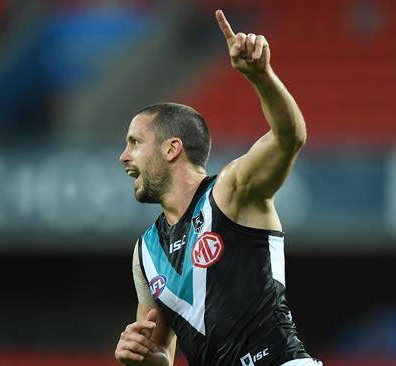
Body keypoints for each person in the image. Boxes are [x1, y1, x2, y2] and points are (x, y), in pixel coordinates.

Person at [114, 10, 321, 366]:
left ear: (171, 148)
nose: (123, 156)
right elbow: (161, 351)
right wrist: (140, 356)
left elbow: (289, 138)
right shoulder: (145, 252)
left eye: (134, 142)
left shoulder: (229, 192)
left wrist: (261, 77)